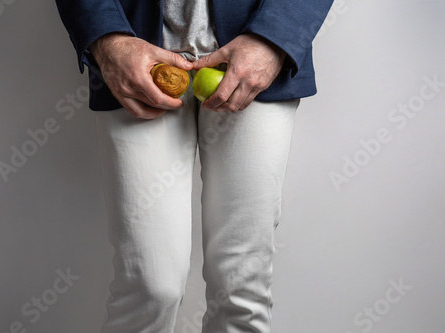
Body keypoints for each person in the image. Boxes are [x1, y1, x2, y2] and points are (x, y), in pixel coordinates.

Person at [55, 1, 333, 332]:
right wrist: (107, 40)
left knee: (241, 288)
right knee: (150, 287)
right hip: (136, 54)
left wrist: (274, 36)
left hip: (253, 51)